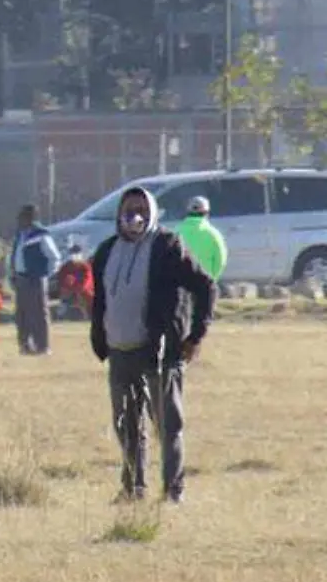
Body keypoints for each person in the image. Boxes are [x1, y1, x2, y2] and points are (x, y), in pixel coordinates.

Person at [90, 187, 217, 504]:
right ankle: (134, 488)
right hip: (120, 351)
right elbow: (102, 300)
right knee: (127, 426)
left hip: (159, 352)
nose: (136, 215)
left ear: (152, 212)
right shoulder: (107, 251)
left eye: (142, 210)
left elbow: (205, 287)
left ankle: (173, 490)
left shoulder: (166, 246)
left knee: (167, 425)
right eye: (130, 209)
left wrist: (195, 335)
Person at [11, 205, 61, 356]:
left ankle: (42, 346)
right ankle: (25, 345)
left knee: (39, 314)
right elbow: (14, 256)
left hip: (36, 279)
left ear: (30, 219)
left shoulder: (41, 235)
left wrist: (45, 274)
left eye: (23, 217)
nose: (19, 221)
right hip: (21, 279)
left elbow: (55, 257)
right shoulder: (20, 235)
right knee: (22, 314)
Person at [176, 196, 229, 282]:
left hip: (180, 285)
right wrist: (212, 279)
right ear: (207, 213)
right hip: (204, 284)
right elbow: (220, 261)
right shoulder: (213, 234)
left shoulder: (176, 232)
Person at [57, 243, 96, 320]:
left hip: (84, 292)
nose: (74, 256)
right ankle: (61, 316)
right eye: (73, 253)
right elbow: (62, 280)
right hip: (70, 292)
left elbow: (87, 281)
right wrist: (69, 286)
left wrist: (77, 288)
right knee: (64, 299)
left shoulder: (85, 266)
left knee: (90, 298)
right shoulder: (65, 267)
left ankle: (90, 316)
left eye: (76, 253)